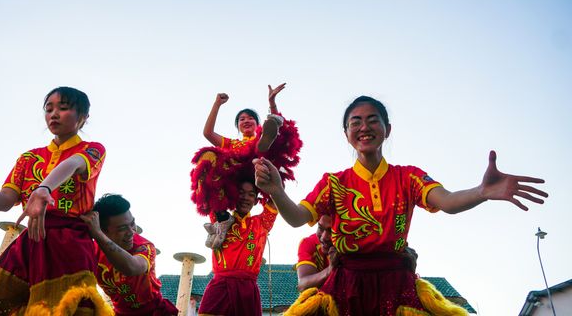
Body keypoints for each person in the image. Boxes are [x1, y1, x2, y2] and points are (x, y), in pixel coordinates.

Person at [254, 95, 548, 316]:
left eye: (373, 119)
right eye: (355, 121)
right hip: (346, 286)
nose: (364, 127)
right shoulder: (333, 182)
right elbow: (297, 218)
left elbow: (447, 202)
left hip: (397, 284)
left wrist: (482, 191)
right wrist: (277, 191)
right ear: (346, 134)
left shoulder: (408, 176)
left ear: (387, 129)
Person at [0, 86, 112, 316]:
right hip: (30, 242)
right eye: (49, 109)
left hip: (70, 245)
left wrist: (43, 189)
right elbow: (4, 201)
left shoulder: (92, 150)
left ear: (83, 117)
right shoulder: (29, 158)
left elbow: (73, 165)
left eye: (63, 108)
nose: (54, 114)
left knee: (64, 308)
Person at [191, 83, 302, 249]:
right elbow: (207, 133)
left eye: (250, 118)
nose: (246, 120)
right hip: (236, 176)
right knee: (207, 156)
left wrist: (272, 103)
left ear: (257, 124)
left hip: (259, 171)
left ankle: (266, 139)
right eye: (242, 119)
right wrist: (217, 104)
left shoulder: (257, 138)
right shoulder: (232, 144)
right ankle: (221, 219)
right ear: (238, 127)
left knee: (264, 147)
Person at [81, 194, 178, 316]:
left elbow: (132, 268)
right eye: (122, 228)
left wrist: (97, 234)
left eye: (132, 224)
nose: (131, 232)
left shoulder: (144, 245)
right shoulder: (91, 251)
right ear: (103, 230)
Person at [198, 177, 277, 316]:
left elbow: (277, 193)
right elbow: (211, 187)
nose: (246, 198)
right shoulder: (220, 218)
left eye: (251, 194)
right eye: (241, 192)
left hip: (248, 291)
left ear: (256, 199)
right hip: (219, 288)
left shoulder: (263, 222)